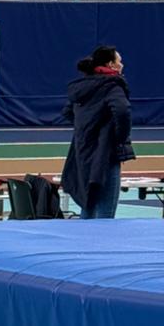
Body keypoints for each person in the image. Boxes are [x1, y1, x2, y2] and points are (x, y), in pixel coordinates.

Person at [61, 45, 134, 219]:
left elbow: (67, 112)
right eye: (119, 61)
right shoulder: (112, 86)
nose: (122, 65)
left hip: (83, 150)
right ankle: (102, 237)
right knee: (105, 212)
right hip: (105, 152)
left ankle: (84, 236)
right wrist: (119, 137)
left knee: (88, 201)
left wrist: (86, 127)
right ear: (111, 64)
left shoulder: (83, 86)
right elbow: (123, 111)